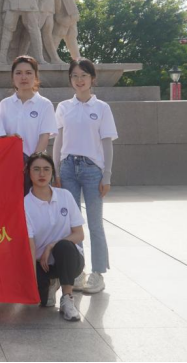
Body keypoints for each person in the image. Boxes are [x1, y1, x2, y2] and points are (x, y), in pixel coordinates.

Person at [53, 58, 117, 294]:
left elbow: (107, 143)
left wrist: (106, 175)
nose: (79, 80)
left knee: (95, 222)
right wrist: (56, 170)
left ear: (92, 79)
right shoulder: (63, 107)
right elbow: (58, 141)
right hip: (68, 168)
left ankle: (98, 273)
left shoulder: (102, 108)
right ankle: (78, 270)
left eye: (84, 76)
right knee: (72, 222)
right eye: (75, 76)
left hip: (92, 170)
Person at [24, 152, 84, 321]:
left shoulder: (65, 195)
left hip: (69, 259)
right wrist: (32, 282)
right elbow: (30, 246)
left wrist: (51, 245)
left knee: (63, 245)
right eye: (36, 169)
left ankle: (67, 297)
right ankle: (50, 283)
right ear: (28, 173)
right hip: (41, 265)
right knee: (44, 303)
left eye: (46, 169)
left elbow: (79, 234)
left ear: (52, 172)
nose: (42, 174)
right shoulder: (24, 205)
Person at [0, 55, 58, 193]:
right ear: (12, 77)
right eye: (18, 73)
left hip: (34, 168)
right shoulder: (4, 105)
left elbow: (44, 137)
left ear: (35, 76)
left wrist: (32, 163)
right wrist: (9, 138)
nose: (23, 77)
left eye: (28, 73)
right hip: (9, 167)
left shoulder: (44, 104)